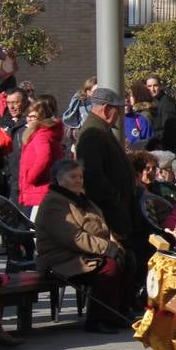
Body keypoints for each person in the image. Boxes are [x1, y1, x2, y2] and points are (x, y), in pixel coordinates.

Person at [35, 159, 135, 334]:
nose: (78, 180)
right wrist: (109, 248)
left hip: (85, 253)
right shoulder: (54, 203)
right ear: (59, 179)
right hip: (61, 258)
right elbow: (73, 237)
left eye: (80, 176)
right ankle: (97, 319)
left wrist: (114, 243)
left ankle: (119, 312)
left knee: (128, 258)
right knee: (108, 266)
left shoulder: (81, 199)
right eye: (73, 176)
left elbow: (101, 226)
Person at [74, 89, 138, 250]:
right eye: (118, 110)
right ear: (107, 109)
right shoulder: (93, 134)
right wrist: (115, 200)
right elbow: (93, 176)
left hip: (116, 209)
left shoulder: (102, 130)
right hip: (109, 213)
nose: (120, 115)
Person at [18, 95, 64, 217]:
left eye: (33, 117)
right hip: (43, 189)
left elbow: (44, 158)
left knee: (38, 228)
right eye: (28, 116)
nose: (29, 120)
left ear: (42, 118)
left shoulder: (41, 135)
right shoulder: (44, 133)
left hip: (41, 189)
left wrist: (30, 178)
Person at [0, 89, 28, 203]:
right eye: (9, 103)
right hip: (8, 179)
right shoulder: (5, 122)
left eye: (15, 102)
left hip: (22, 181)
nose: (11, 107)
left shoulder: (30, 124)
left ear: (25, 102)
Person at [144, 76, 176, 153]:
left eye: (155, 85)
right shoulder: (151, 102)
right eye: (149, 86)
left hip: (162, 148)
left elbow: (169, 128)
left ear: (161, 86)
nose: (152, 89)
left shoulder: (167, 102)